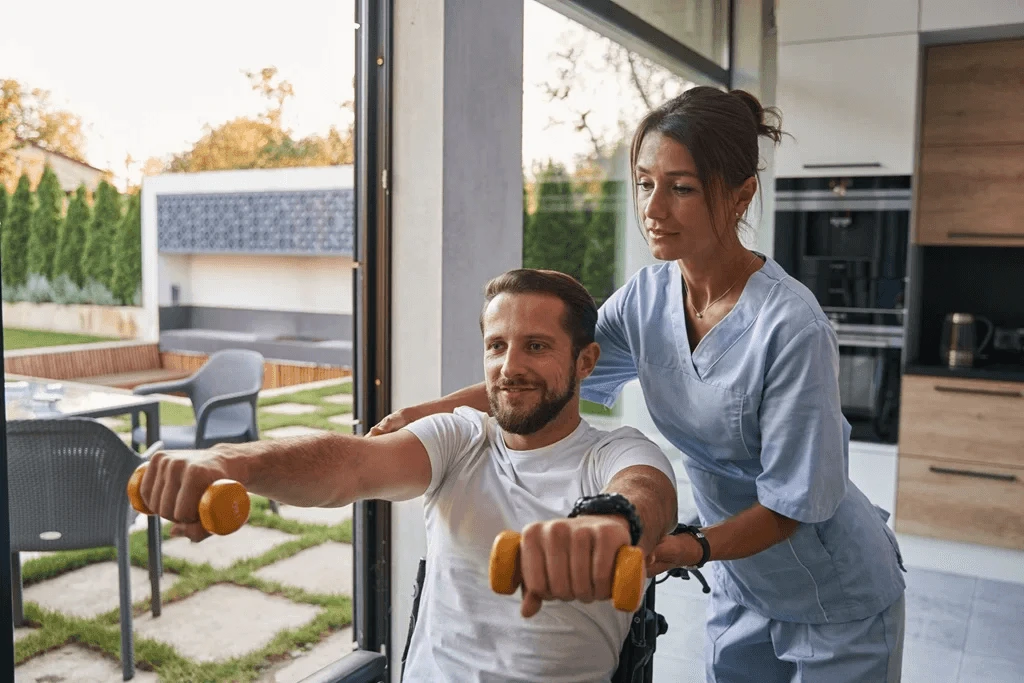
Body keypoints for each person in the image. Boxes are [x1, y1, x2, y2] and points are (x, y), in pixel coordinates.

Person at [370, 86, 908, 682]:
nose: (654, 208)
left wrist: (689, 547)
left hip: (832, 587)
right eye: (646, 183)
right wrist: (428, 411)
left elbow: (795, 504)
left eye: (681, 188)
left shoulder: (790, 326)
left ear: (741, 195)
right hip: (741, 579)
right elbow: (548, 374)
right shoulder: (647, 299)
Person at [137, 268, 679, 683]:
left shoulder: (617, 451)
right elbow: (348, 465)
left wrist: (610, 523)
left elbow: (646, 495)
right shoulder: (462, 436)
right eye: (496, 346)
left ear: (586, 362)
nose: (510, 367)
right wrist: (232, 462)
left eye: (536, 346)